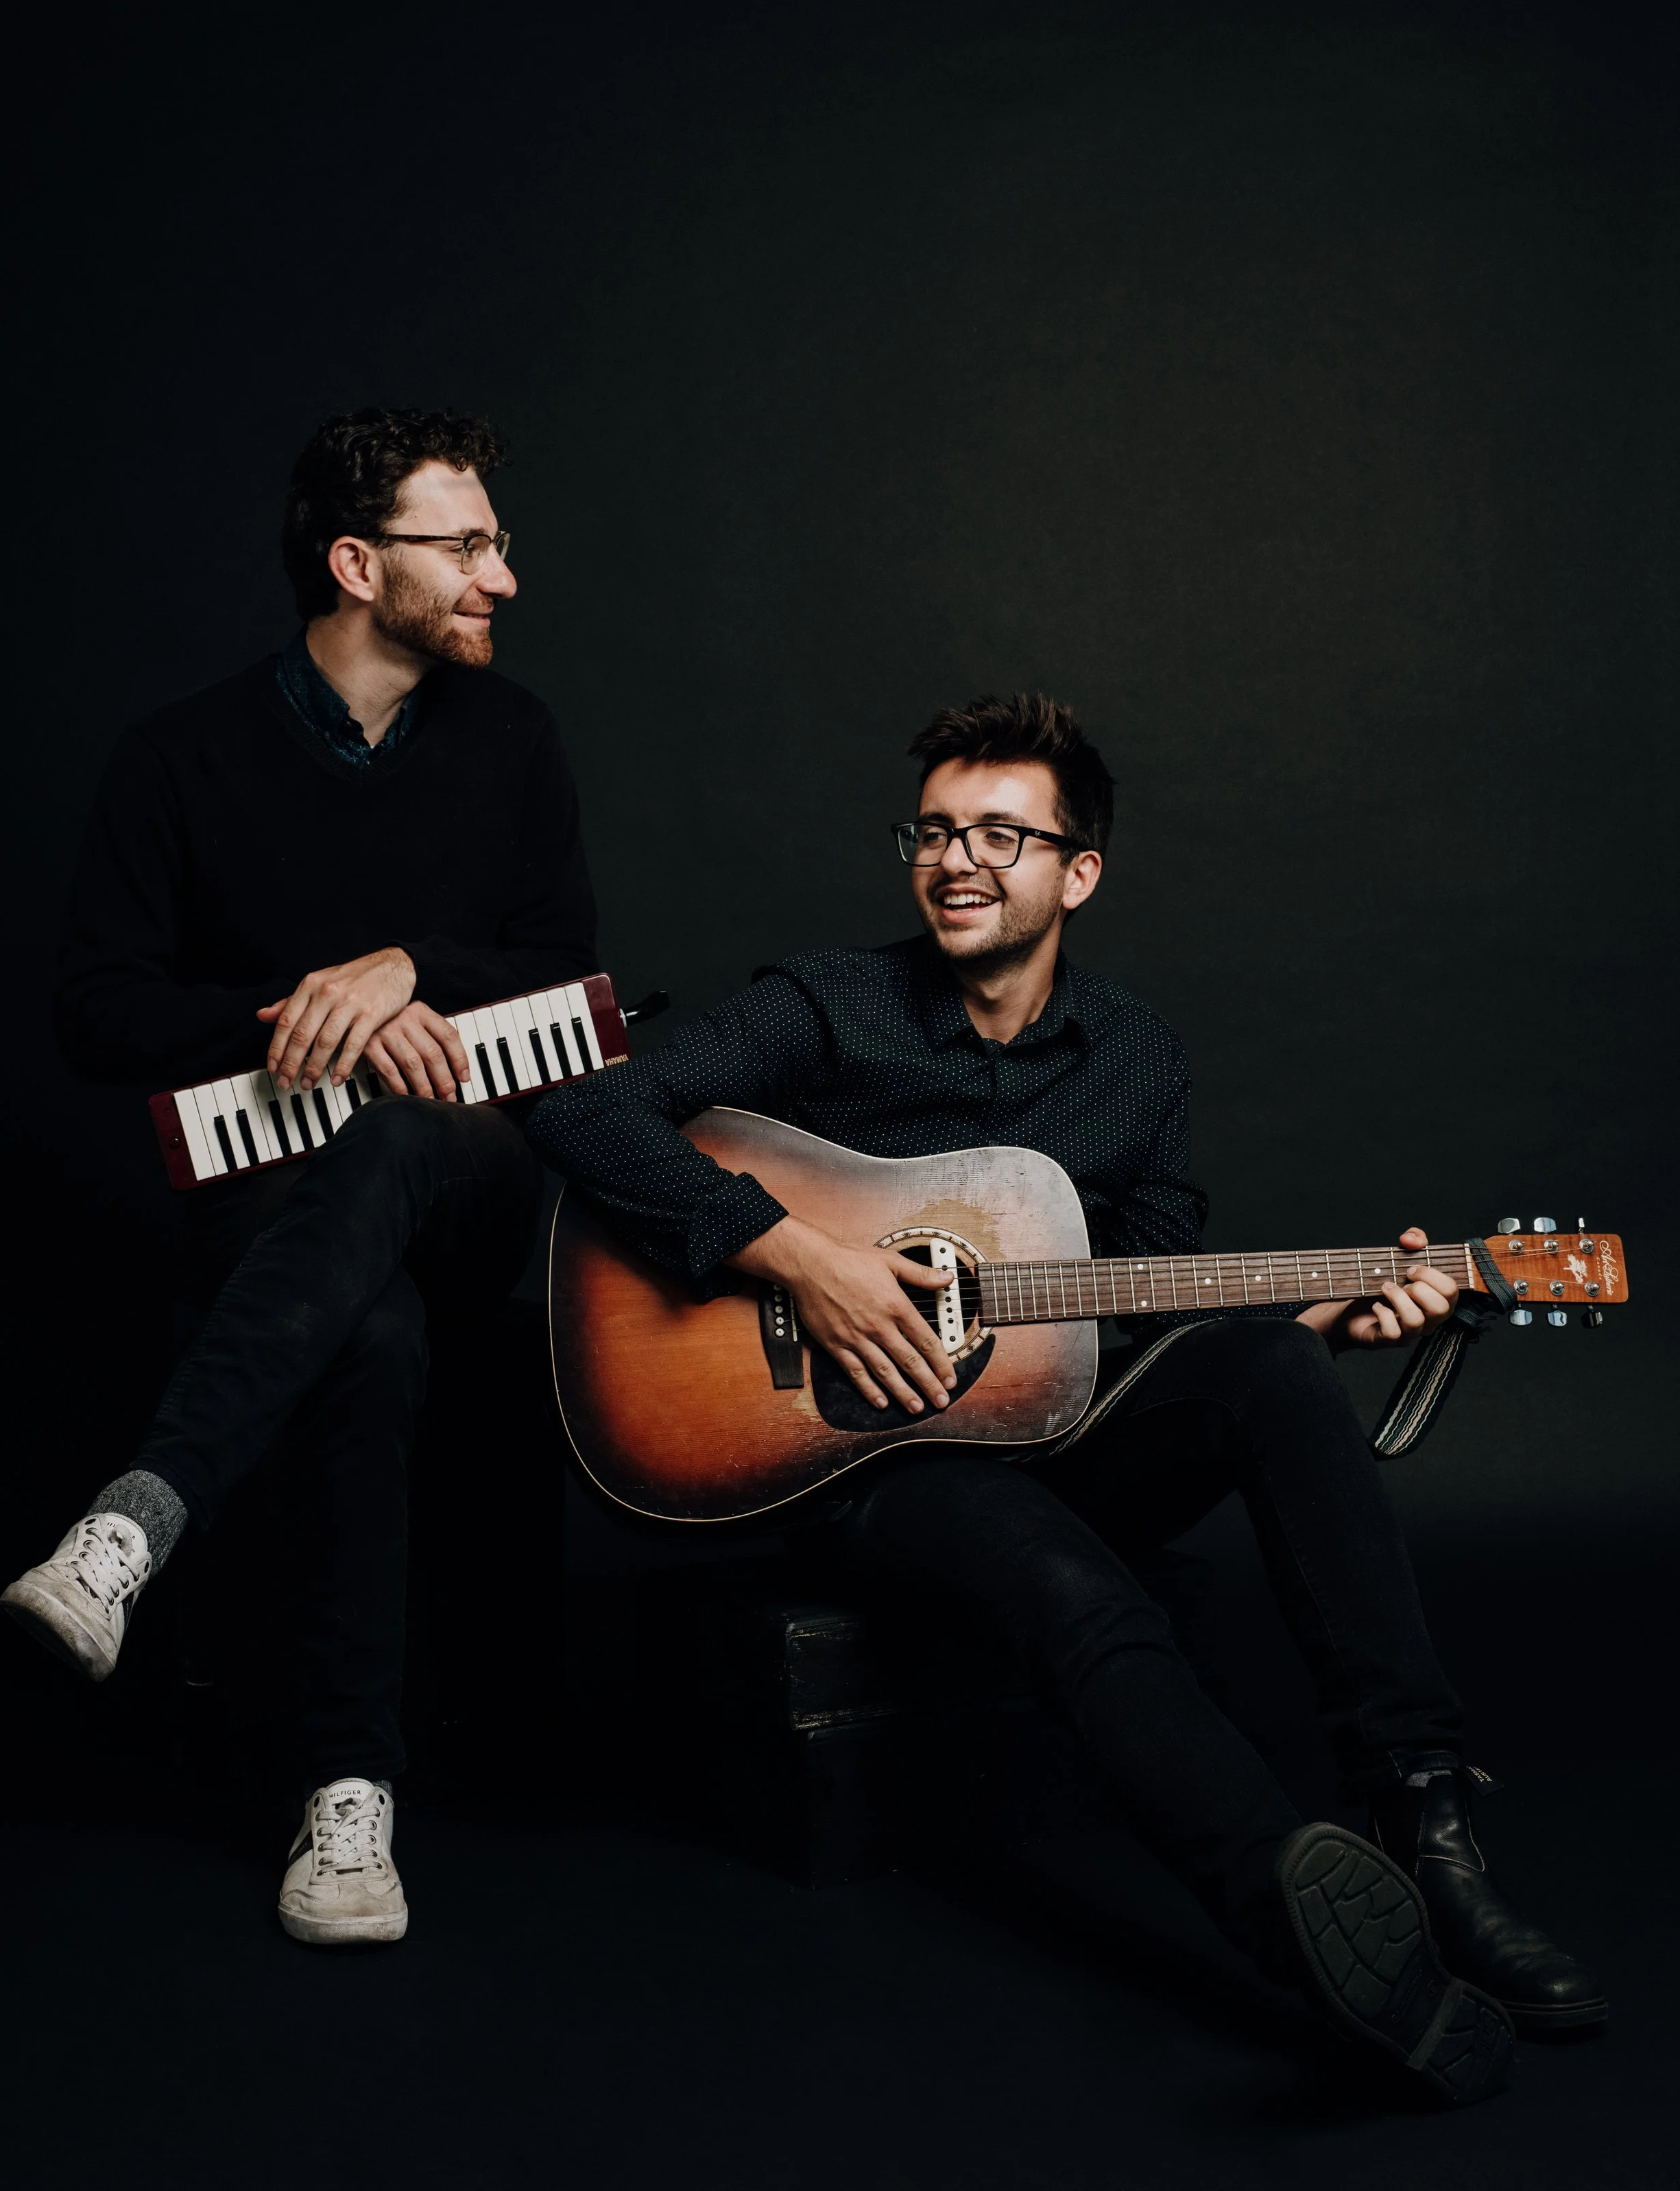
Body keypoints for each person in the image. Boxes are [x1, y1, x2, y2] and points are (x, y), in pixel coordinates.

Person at [518, 691, 1602, 2106]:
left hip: (1051, 1419)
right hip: (860, 1457)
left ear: (1076, 871)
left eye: (999, 835)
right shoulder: (826, 1002)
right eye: (933, 830)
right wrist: (803, 1259)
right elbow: (580, 1111)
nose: (955, 860)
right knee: (1070, 1588)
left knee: (1265, 1362)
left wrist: (1325, 1321)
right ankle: (1307, 1931)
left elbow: (1136, 1300)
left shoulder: (1135, 1059)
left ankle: (1425, 1827)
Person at [1, 407, 597, 1946]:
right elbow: (94, 1011)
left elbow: (562, 973)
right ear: (355, 561)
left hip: (468, 1177)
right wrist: (291, 1020)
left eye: (495, 544)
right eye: (465, 546)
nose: (501, 578)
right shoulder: (178, 758)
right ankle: (350, 1801)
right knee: (371, 1333)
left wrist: (408, 974)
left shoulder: (516, 740)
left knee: (405, 1143)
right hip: (273, 1191)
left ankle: (132, 1521)